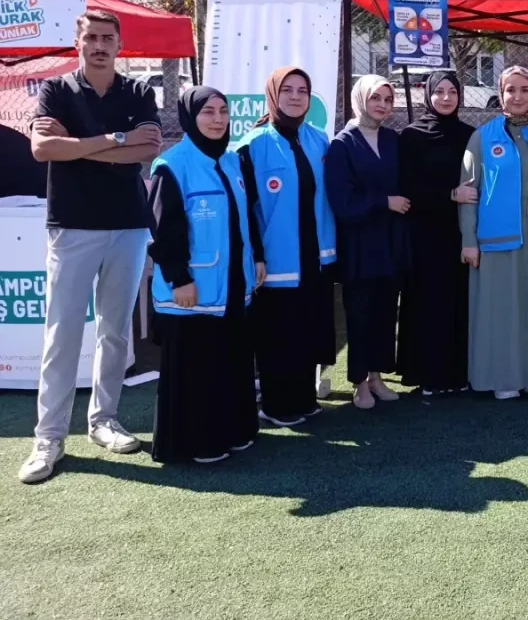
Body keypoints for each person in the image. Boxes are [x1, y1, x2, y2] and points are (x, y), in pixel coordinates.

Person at [18, 10, 162, 485]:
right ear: (78, 43)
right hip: (73, 226)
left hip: (128, 226)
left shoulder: (139, 91)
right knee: (62, 337)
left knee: (115, 333)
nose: (100, 46)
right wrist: (114, 140)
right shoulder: (57, 90)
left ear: (119, 45)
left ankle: (104, 420)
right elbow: (43, 151)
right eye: (91, 38)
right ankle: (49, 439)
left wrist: (79, 145)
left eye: (108, 38)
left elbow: (147, 151)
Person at [148, 87, 262, 463]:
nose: (217, 119)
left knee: (230, 364)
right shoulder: (172, 165)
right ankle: (198, 443)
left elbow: (245, 219)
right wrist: (179, 278)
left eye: (223, 111)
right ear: (189, 117)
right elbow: (163, 232)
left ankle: (234, 430)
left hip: (231, 286)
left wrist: (257, 258)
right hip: (192, 292)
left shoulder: (231, 161)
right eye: (207, 112)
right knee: (197, 371)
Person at [237, 67, 337, 427]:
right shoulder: (252, 145)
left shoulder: (319, 139)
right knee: (279, 334)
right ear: (273, 95)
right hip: (276, 262)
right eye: (288, 90)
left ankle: (304, 399)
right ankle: (277, 404)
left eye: (303, 90)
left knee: (309, 329)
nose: (295, 97)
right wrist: (258, 256)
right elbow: (246, 209)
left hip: (316, 255)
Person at [459, 66, 528, 399]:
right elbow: (468, 193)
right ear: (500, 95)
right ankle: (503, 378)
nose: (517, 97)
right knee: (502, 311)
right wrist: (468, 241)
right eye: (510, 90)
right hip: (497, 240)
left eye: (524, 90)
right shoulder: (481, 137)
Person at [325, 76, 408, 409]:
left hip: (390, 242)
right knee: (359, 313)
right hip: (359, 244)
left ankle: (377, 375)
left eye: (388, 100)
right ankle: (359, 381)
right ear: (361, 99)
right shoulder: (343, 144)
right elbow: (341, 199)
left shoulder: (392, 140)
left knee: (386, 312)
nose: (383, 105)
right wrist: (383, 202)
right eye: (376, 98)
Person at [397, 70, 476, 397]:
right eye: (439, 91)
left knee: (459, 301)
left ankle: (459, 372)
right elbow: (408, 188)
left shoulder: (471, 135)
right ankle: (429, 374)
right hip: (426, 234)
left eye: (452, 92)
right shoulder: (412, 136)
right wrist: (448, 195)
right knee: (429, 303)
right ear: (427, 94)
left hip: (461, 233)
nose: (446, 98)